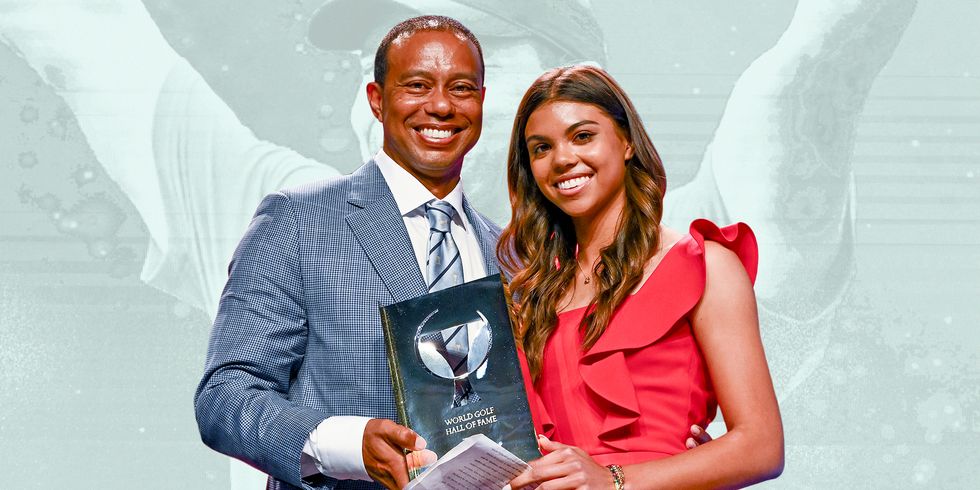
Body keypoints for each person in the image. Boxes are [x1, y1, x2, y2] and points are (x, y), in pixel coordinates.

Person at [193, 16, 498, 490]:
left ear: (481, 101)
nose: (440, 105)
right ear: (377, 100)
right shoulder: (296, 221)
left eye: (461, 88)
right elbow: (226, 396)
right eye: (417, 85)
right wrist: (345, 444)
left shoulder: (509, 252)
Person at [498, 65, 784, 489]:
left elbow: (762, 447)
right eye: (541, 148)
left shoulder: (704, 264)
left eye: (582, 136)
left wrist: (614, 480)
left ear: (627, 141)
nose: (561, 159)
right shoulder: (532, 295)